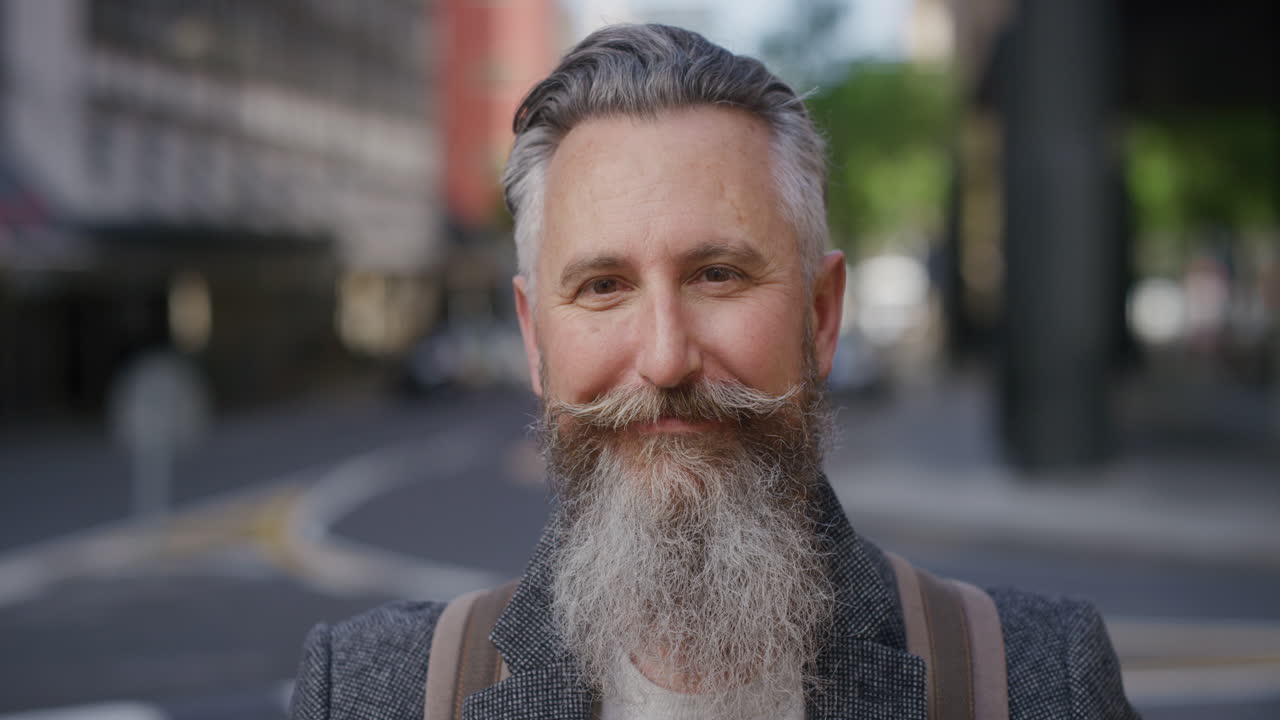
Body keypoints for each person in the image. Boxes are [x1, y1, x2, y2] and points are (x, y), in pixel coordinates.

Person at [290, 24, 1137, 720]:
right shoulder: (375, 694)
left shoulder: (1039, 684)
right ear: (535, 339)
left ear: (821, 316)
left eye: (718, 275)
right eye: (603, 286)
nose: (665, 359)